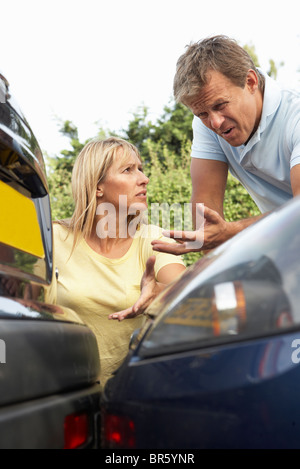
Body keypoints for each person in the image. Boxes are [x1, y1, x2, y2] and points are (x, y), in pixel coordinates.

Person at [48, 137, 186, 387]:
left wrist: (161, 293)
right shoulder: (53, 238)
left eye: (141, 168)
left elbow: (186, 291)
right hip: (63, 395)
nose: (144, 178)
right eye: (128, 170)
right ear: (97, 186)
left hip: (130, 396)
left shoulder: (153, 238)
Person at [152, 35, 300, 256]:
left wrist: (231, 231)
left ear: (250, 82)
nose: (215, 123)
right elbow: (209, 226)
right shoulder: (207, 123)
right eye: (202, 113)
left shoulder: (295, 115)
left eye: (220, 105)